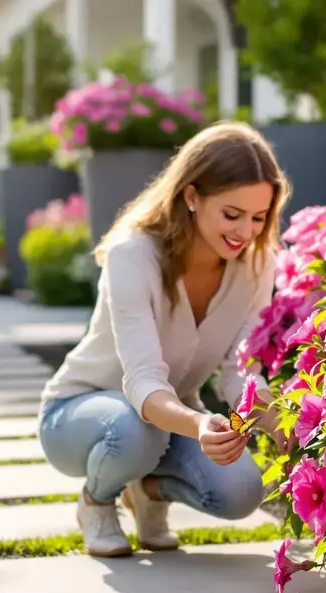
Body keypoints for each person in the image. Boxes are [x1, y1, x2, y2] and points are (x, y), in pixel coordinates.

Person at [37, 121, 293, 558]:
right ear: (191, 196)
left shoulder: (258, 261)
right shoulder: (132, 253)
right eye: (231, 215)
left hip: (164, 420)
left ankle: (148, 493)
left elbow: (238, 371)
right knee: (138, 430)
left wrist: (286, 426)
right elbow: (142, 381)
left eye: (258, 217)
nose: (246, 231)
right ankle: (96, 502)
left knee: (242, 491)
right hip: (79, 416)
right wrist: (198, 424)